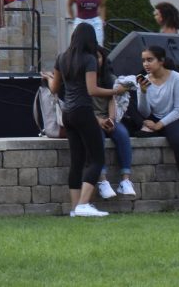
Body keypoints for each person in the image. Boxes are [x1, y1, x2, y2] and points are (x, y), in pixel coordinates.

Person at [42, 23, 128, 217]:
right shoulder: (89, 59)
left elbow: (54, 89)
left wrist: (48, 79)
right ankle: (83, 205)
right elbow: (92, 90)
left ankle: (75, 209)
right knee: (97, 159)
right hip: (83, 111)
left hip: (68, 114)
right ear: (91, 40)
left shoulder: (62, 58)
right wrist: (117, 91)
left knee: (77, 161)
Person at [136, 45, 179, 213]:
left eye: (150, 59)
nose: (146, 64)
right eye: (143, 60)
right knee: (137, 133)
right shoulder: (144, 80)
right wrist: (143, 92)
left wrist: (159, 125)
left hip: (175, 118)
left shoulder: (177, 78)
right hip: (154, 119)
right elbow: (144, 112)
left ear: (161, 61)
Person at [92, 47, 136, 199]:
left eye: (98, 57)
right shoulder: (84, 79)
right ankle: (103, 181)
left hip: (107, 117)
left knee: (123, 134)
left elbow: (112, 100)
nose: (95, 61)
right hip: (91, 119)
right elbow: (83, 105)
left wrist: (111, 118)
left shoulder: (109, 78)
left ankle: (126, 180)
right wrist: (99, 121)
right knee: (97, 138)